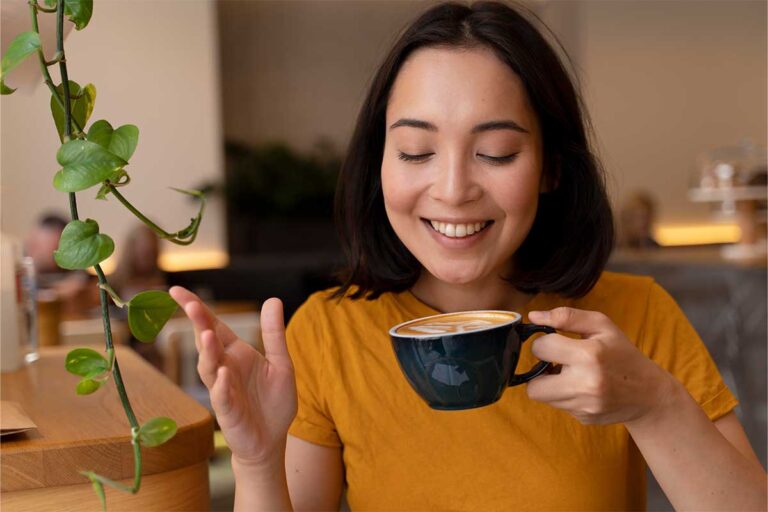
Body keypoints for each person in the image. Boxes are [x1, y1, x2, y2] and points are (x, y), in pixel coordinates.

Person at [170, 2, 766, 510]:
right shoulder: (328, 334)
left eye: (497, 152)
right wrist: (257, 461)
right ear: (379, 164)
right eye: (415, 150)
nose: (453, 190)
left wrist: (656, 407)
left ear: (552, 168)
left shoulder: (632, 317)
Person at [24, 212, 95, 317]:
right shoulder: (22, 274)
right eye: (34, 244)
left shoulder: (79, 277)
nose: (33, 250)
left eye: (39, 246)